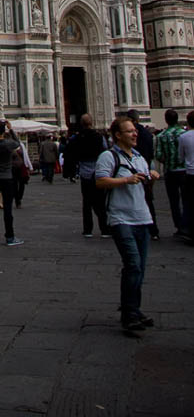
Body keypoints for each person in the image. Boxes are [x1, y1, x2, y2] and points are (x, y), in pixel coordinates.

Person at [96, 116, 161, 332]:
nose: (135, 134)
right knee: (133, 264)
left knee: (139, 268)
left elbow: (145, 180)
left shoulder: (140, 157)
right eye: (130, 131)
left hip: (142, 217)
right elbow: (100, 181)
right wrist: (125, 180)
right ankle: (129, 313)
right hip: (120, 218)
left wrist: (151, 175)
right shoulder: (108, 156)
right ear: (117, 135)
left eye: (135, 130)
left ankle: (133, 309)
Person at [64, 114, 109, 237]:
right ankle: (105, 229)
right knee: (100, 201)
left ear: (81, 124)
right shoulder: (99, 137)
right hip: (98, 172)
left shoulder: (77, 138)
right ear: (92, 123)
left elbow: (70, 152)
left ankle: (88, 230)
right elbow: (106, 151)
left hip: (85, 173)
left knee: (87, 202)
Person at [154, 109, 188, 237]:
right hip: (184, 171)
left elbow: (158, 155)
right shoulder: (184, 134)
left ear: (166, 120)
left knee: (174, 201)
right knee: (186, 200)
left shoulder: (161, 136)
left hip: (170, 171)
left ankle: (179, 227)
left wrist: (168, 160)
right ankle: (187, 225)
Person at [127, 109, 159, 240]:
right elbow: (152, 152)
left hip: (134, 167)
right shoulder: (147, 133)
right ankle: (153, 230)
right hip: (146, 165)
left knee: (133, 196)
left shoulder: (130, 134)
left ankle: (135, 227)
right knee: (148, 199)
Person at [178, 109, 194, 241]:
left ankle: (190, 231)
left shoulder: (184, 137)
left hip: (190, 173)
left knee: (190, 203)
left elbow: (181, 157)